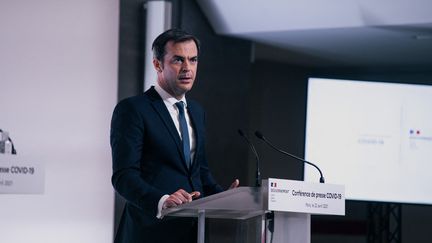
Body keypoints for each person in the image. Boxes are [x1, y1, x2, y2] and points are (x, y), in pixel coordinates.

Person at [110, 29, 239, 243]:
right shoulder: (133, 109)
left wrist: (226, 196)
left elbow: (199, 173)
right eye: (178, 60)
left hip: (191, 233)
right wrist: (162, 200)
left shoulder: (197, 111)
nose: (187, 68)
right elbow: (123, 176)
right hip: (148, 232)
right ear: (158, 64)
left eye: (193, 59)